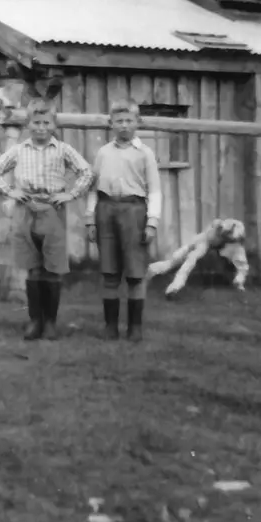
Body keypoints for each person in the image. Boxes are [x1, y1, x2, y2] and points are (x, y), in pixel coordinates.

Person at [0, 97, 94, 341]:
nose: (41, 128)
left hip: (52, 210)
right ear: (28, 124)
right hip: (25, 210)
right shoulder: (19, 150)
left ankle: (51, 323)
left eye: (46, 123)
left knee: (52, 269)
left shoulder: (63, 150)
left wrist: (70, 194)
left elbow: (86, 171)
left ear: (53, 125)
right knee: (33, 269)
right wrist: (10, 190)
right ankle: (35, 321)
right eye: (36, 123)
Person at [86, 98, 163, 342]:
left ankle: (135, 327)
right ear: (111, 124)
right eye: (118, 121)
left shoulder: (145, 154)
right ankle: (110, 326)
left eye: (129, 121)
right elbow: (92, 188)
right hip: (106, 209)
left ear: (137, 123)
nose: (124, 126)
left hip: (134, 211)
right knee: (109, 271)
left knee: (135, 272)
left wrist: (152, 221)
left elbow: (155, 191)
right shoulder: (103, 153)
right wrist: (90, 219)